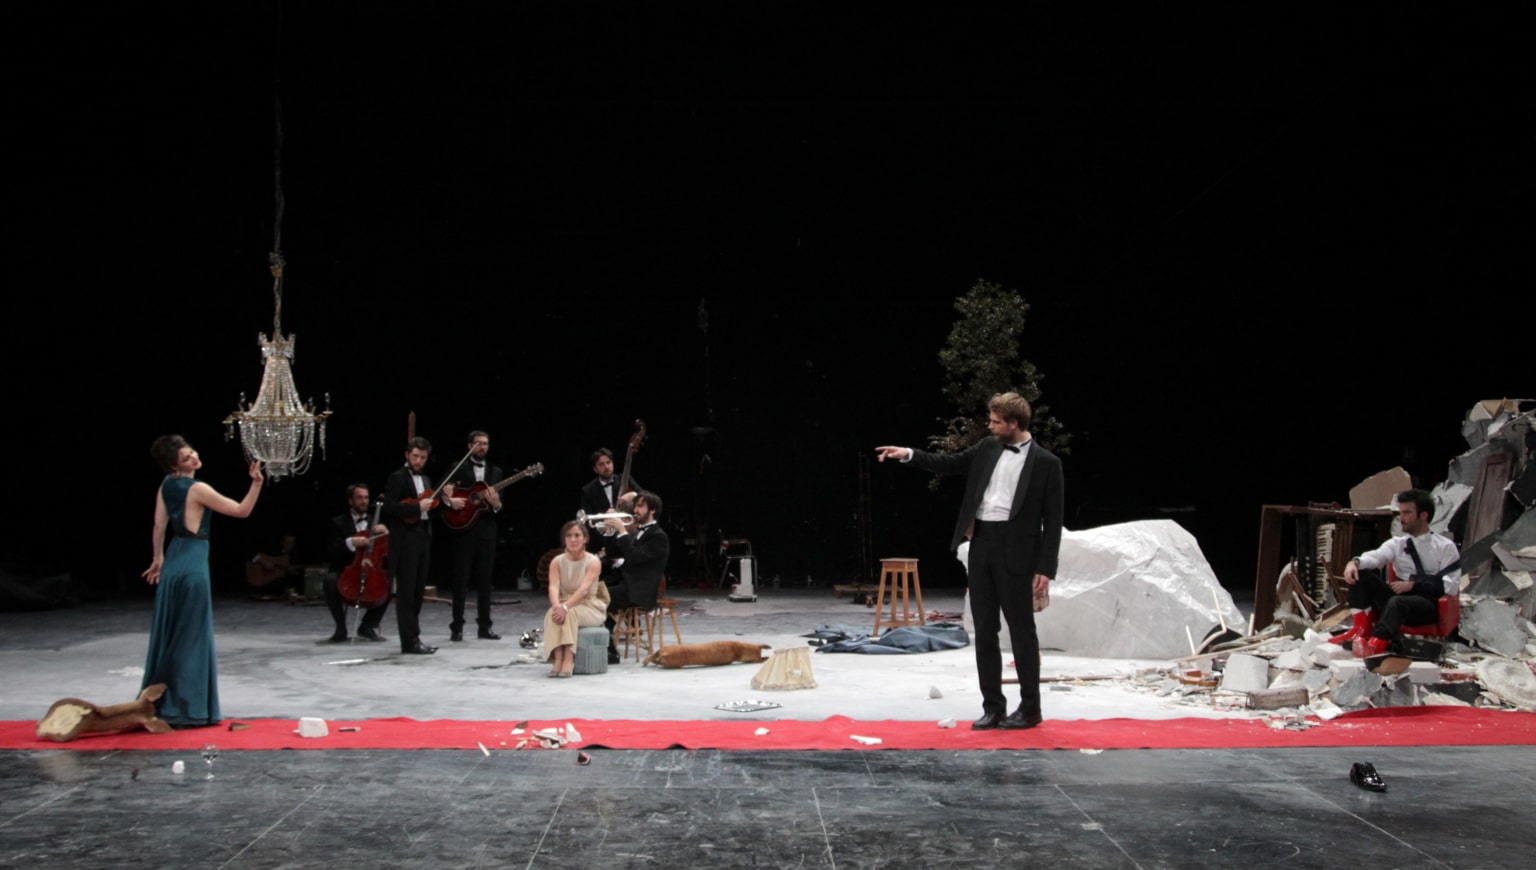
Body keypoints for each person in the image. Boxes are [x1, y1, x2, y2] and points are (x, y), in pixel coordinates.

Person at [876, 391, 1064, 731]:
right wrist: (908, 454)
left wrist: (1045, 568)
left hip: (1018, 551)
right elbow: (949, 463)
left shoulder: (1047, 463)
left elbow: (1053, 521)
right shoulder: (988, 447)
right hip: (983, 543)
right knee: (985, 630)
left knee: (1022, 631)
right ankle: (993, 707)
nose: (990, 426)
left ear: (1014, 423)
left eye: (995, 422)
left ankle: (1030, 708)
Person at [141, 435, 264, 727]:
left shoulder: (167, 484)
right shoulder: (198, 489)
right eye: (186, 458)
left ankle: (165, 701)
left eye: (192, 451)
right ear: (175, 466)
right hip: (193, 565)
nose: (194, 457)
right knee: (192, 636)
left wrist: (158, 558)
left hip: (174, 562)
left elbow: (159, 525)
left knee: (173, 633)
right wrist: (256, 483)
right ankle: (186, 708)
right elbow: (241, 511)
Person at [1340, 488, 1461, 656]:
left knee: (1397, 602)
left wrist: (1413, 585)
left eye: (1407, 513)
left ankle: (1376, 644)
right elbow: (1376, 556)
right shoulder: (1397, 543)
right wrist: (1354, 563)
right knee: (1363, 575)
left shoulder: (1445, 546)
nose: (1401, 518)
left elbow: (1451, 586)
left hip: (1427, 604)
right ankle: (1361, 631)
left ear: (1423, 515)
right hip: (1398, 598)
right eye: (1400, 512)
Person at [381, 437, 454, 655]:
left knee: (417, 591)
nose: (419, 461)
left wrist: (445, 500)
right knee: (406, 593)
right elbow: (389, 507)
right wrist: (416, 508)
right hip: (405, 539)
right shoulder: (397, 477)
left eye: (423, 457)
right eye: (415, 456)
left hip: (423, 537)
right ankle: (409, 641)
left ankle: (414, 637)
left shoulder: (427, 479)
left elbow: (431, 510)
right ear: (407, 455)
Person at [442, 430, 503, 642]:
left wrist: (496, 503)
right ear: (469, 446)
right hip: (463, 529)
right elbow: (442, 493)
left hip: (486, 532)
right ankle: (457, 627)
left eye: (485, 443)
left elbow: (500, 505)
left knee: (485, 582)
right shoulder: (457, 467)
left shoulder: (496, 472)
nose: (482, 447)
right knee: (460, 580)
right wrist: (449, 501)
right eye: (478, 443)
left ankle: (484, 627)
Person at [602, 490, 671, 664]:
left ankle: (609, 651)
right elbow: (612, 554)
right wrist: (610, 531)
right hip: (629, 585)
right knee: (594, 595)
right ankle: (604, 647)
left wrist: (622, 530)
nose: (635, 510)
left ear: (652, 510)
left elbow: (634, 557)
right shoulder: (638, 533)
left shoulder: (658, 537)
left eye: (640, 506)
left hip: (641, 591)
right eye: (636, 506)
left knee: (599, 600)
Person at [541, 520, 611, 677]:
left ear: (585, 539)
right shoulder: (557, 561)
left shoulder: (593, 561)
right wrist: (556, 606)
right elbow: (553, 586)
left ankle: (569, 658)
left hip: (589, 606)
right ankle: (558, 658)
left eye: (577, 535)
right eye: (569, 536)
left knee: (570, 613)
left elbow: (584, 590)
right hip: (564, 602)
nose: (573, 539)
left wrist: (565, 607)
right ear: (564, 539)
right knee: (551, 613)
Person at [323, 483, 390, 643]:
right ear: (350, 501)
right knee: (330, 581)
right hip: (346, 568)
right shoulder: (338, 522)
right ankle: (340, 628)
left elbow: (387, 552)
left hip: (371, 567)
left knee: (390, 582)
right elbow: (331, 551)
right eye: (359, 498)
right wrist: (350, 542)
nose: (364, 501)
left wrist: (387, 535)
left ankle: (367, 625)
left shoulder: (376, 521)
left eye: (366, 497)